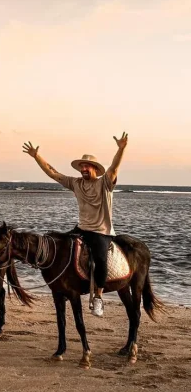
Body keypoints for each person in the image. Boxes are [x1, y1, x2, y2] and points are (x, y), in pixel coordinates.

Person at [23, 132, 129, 317]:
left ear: (95, 168)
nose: (83, 169)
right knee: (56, 242)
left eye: (87, 166)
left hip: (101, 231)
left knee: (100, 260)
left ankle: (98, 296)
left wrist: (121, 149)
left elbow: (114, 168)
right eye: (82, 166)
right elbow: (52, 172)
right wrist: (36, 156)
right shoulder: (76, 183)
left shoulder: (104, 183)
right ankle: (64, 285)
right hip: (81, 228)